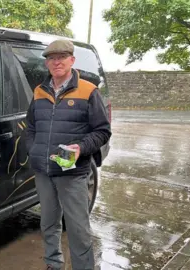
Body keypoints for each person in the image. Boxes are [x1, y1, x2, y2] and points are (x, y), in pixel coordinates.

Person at [25, 39, 112, 270]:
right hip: (44, 171)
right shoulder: (39, 91)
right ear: (47, 64)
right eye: (51, 59)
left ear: (72, 60)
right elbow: (31, 126)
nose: (56, 62)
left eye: (61, 57)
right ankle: (54, 263)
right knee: (48, 222)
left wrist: (81, 148)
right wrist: (34, 149)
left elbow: (102, 131)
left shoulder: (88, 91)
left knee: (78, 228)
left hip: (73, 173)